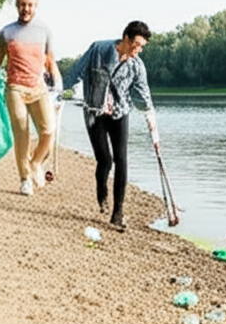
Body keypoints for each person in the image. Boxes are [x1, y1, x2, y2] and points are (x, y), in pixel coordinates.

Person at [66, 21, 159, 231]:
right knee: (104, 160)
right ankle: (101, 191)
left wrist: (150, 117)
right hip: (94, 110)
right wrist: (58, 92)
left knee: (121, 160)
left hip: (120, 112)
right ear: (125, 38)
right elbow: (76, 72)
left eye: (142, 46)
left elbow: (143, 94)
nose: (138, 50)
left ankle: (117, 213)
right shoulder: (99, 49)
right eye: (136, 44)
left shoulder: (137, 65)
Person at [0, 0, 61, 196]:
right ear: (16, 5)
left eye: (30, 5)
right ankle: (24, 179)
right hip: (15, 88)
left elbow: (50, 60)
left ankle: (36, 162)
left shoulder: (44, 30)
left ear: (35, 6)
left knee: (49, 130)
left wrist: (57, 82)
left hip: (38, 87)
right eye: (22, 4)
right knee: (22, 133)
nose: (25, 9)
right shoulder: (7, 32)